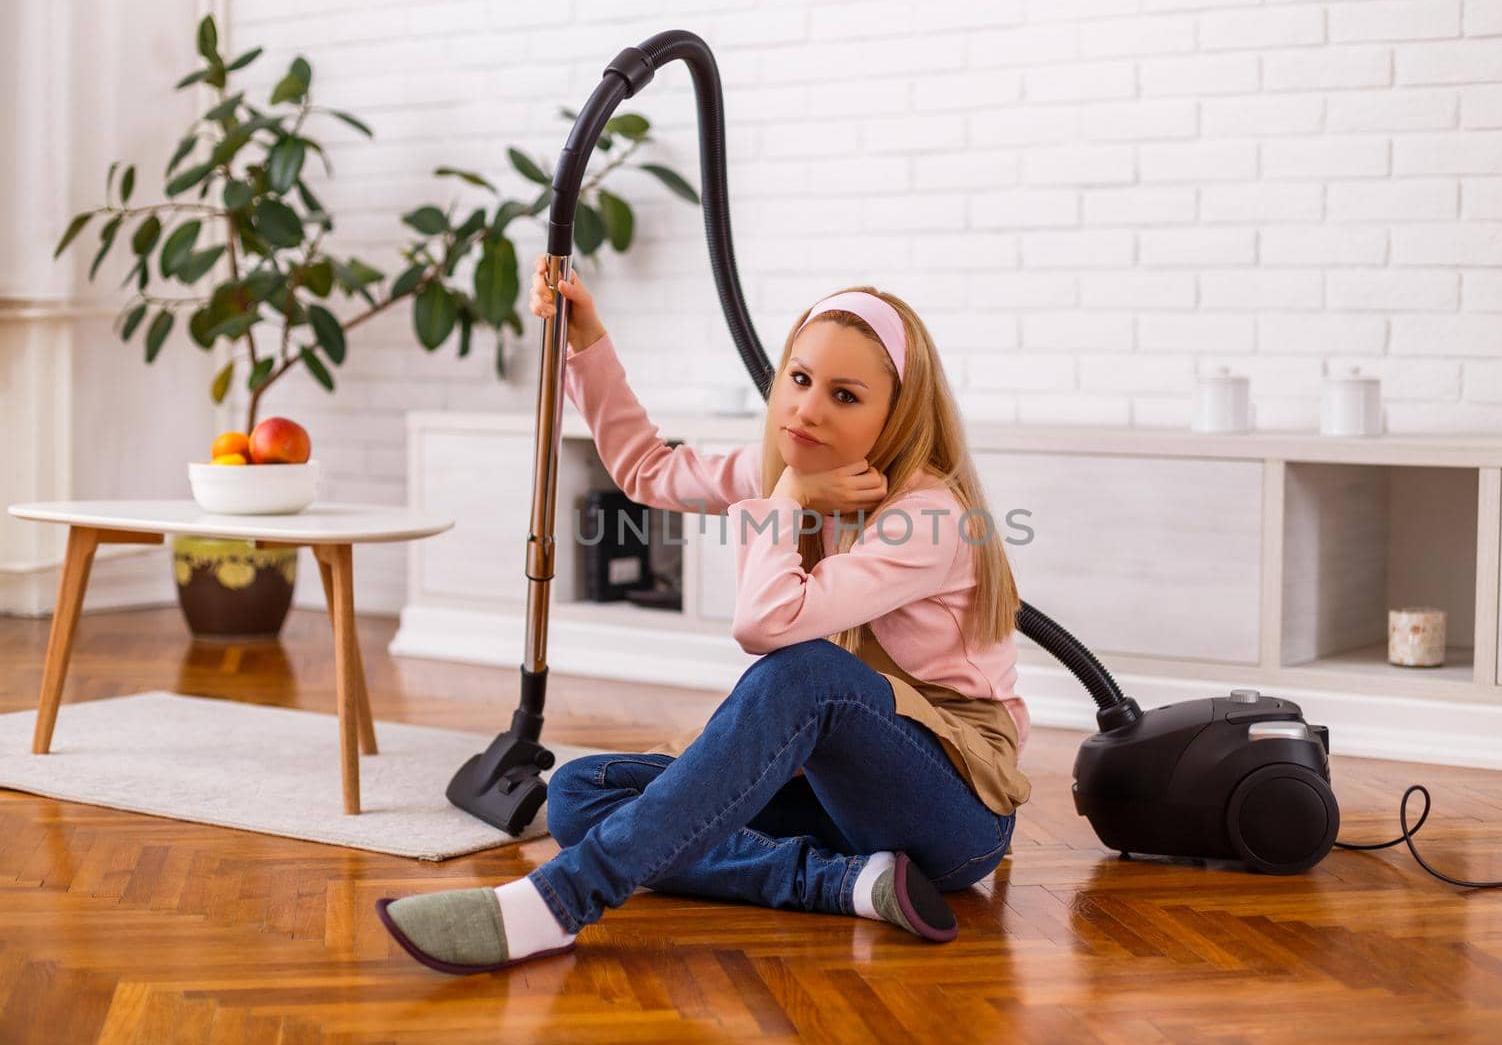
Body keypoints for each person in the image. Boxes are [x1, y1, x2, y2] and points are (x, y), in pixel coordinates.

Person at [375, 256, 1033, 974]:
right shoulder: (792, 466)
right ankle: (842, 882)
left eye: (845, 395)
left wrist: (786, 502)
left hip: (952, 812)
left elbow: (767, 627)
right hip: (840, 802)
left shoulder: (929, 514)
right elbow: (646, 470)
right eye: (800, 378)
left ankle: (557, 904)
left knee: (805, 671)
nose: (808, 409)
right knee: (577, 794)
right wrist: (586, 339)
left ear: (896, 413)